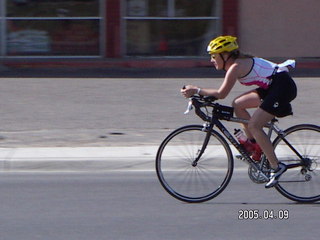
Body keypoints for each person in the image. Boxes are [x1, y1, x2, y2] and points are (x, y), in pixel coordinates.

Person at [181, 35, 297, 188]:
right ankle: (255, 146)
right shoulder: (235, 64)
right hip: (272, 87)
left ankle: (276, 167)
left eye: (214, 56)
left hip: (282, 87)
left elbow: (221, 94)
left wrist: (196, 90)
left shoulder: (235, 67)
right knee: (238, 104)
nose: (211, 60)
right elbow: (220, 95)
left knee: (255, 125)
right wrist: (200, 94)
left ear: (225, 55)